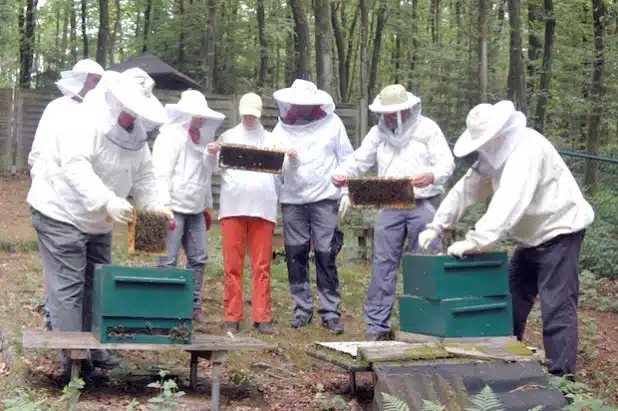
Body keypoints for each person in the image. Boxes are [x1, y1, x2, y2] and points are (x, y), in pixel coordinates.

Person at [417, 100, 595, 378]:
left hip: (561, 232)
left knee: (557, 308)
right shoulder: (493, 156)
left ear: (499, 135)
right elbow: (466, 189)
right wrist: (437, 224)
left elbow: (508, 203)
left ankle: (563, 383)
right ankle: (505, 364)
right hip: (529, 240)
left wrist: (475, 240)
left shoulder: (527, 150)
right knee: (508, 301)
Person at [26, 69, 172, 381]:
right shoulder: (82, 121)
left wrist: (156, 210)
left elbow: (145, 176)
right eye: (129, 110)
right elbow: (75, 166)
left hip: (98, 220)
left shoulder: (136, 135)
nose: (132, 117)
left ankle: (92, 350)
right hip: (58, 209)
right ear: (114, 101)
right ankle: (73, 366)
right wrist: (106, 200)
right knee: (69, 287)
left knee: (98, 283)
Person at [332, 84, 455, 341]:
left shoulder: (428, 129)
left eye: (392, 113)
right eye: (385, 113)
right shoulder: (378, 134)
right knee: (382, 263)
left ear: (406, 109)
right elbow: (359, 159)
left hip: (424, 203)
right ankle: (377, 325)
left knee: (426, 262)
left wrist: (432, 175)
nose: (388, 118)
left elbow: (447, 162)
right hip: (390, 205)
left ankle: (425, 323)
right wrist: (344, 174)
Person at [27, 59, 104, 332]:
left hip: (89, 208)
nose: (100, 86)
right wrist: (46, 182)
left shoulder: (101, 114)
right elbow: (37, 154)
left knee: (85, 279)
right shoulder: (57, 109)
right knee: (67, 278)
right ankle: (70, 353)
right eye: (96, 81)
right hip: (56, 204)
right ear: (82, 80)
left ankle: (84, 343)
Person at [272, 79, 354, 335]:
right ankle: (302, 308)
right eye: (297, 103)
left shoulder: (333, 123)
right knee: (295, 255)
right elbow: (272, 165)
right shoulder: (281, 128)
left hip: (325, 198)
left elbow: (347, 158)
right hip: (292, 200)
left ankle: (330, 311)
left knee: (326, 254)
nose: (301, 107)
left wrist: (346, 192)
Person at [206, 92, 292, 334]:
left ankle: (262, 316)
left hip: (263, 208)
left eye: (253, 114)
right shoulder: (228, 136)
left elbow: (285, 170)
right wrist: (210, 152)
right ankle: (232, 315)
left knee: (261, 265)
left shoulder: (272, 139)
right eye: (245, 114)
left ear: (259, 114)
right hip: (233, 207)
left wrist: (293, 158)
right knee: (232, 264)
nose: (248, 118)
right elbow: (211, 167)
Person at [153, 89, 225, 324]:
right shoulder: (169, 136)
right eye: (198, 115)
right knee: (167, 259)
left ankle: (193, 306)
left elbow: (208, 173)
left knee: (199, 258)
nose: (202, 119)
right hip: (172, 205)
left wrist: (207, 207)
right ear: (186, 114)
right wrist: (162, 206)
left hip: (195, 207)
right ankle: (164, 307)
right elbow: (160, 174)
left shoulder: (202, 139)